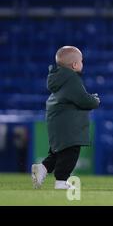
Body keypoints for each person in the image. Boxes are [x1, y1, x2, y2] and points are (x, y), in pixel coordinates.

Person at [31, 46, 100, 189]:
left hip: (58, 120)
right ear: (75, 65)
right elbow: (83, 100)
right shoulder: (72, 79)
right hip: (68, 124)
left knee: (59, 151)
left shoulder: (59, 78)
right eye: (81, 61)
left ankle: (42, 168)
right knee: (71, 151)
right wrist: (95, 100)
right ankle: (61, 181)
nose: (82, 63)